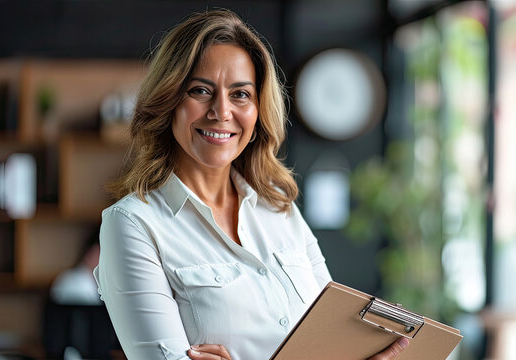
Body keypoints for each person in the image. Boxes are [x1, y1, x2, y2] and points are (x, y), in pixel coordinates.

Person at [94, 9, 409, 360]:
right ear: (169, 100)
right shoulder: (133, 225)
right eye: (200, 90)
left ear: (258, 110)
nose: (221, 111)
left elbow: (332, 344)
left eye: (240, 94)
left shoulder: (280, 209)